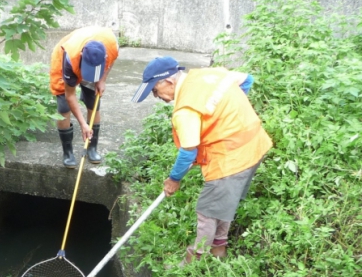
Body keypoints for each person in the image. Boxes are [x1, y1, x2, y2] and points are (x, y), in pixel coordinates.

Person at [131, 56, 271, 264]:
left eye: (154, 90)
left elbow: (188, 152)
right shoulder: (209, 74)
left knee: (206, 210)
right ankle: (218, 249)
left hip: (230, 158)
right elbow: (247, 80)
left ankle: (194, 260)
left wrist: (174, 179)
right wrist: (228, 114)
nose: (156, 96)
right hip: (254, 145)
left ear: (168, 82)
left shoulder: (185, 110)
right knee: (224, 202)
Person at [49, 26, 119, 167]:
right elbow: (70, 95)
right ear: (81, 55)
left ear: (104, 57)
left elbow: (111, 61)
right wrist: (83, 124)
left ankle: (91, 147)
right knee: (63, 107)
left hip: (92, 59)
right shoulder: (70, 56)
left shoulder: (112, 46)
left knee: (93, 101)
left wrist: (102, 79)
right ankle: (68, 152)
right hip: (65, 61)